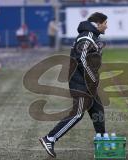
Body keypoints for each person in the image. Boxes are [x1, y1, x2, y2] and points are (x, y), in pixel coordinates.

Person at [39, 12, 108, 158]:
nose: (106, 27)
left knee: (98, 112)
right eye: (105, 23)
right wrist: (92, 79)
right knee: (77, 115)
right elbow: (82, 60)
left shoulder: (91, 36)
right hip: (82, 84)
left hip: (89, 85)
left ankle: (103, 140)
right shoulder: (86, 37)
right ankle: (50, 138)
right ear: (99, 23)